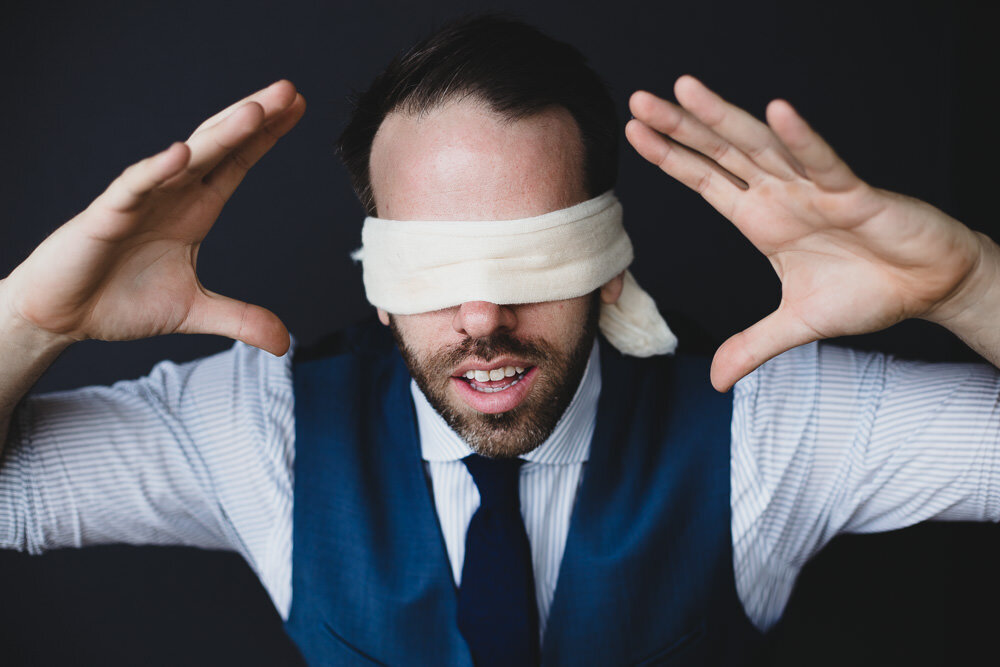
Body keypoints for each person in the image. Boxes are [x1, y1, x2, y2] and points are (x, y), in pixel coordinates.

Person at [2, 14, 998, 666]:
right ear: (378, 286)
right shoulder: (257, 428)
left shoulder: (772, 422)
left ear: (610, 261)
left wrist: (972, 287)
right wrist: (28, 322)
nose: (481, 317)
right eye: (433, 268)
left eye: (529, 259)